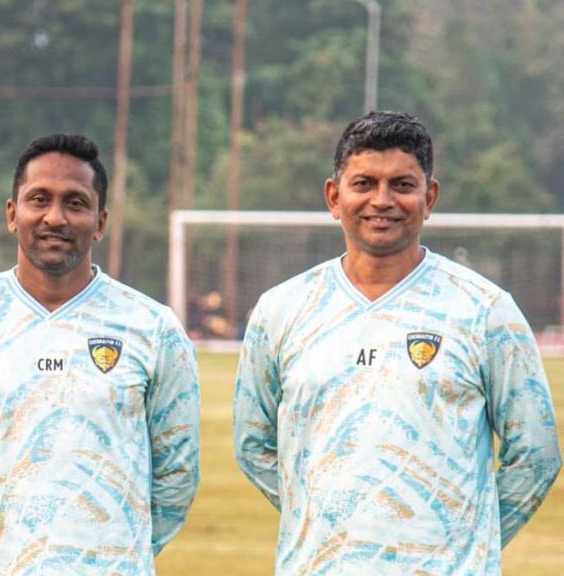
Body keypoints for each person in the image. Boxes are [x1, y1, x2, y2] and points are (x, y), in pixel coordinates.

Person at [233, 111, 561, 574]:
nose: (382, 201)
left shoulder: (485, 310)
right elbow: (252, 443)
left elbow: (536, 455)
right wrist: (331, 519)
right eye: (364, 183)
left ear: (429, 198)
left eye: (402, 186)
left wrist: (460, 538)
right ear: (334, 196)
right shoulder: (281, 309)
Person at [0, 134, 200, 574]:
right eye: (39, 199)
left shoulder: (153, 328)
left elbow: (178, 475)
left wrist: (114, 553)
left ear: (100, 222)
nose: (54, 217)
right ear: (12, 214)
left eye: (75, 203)